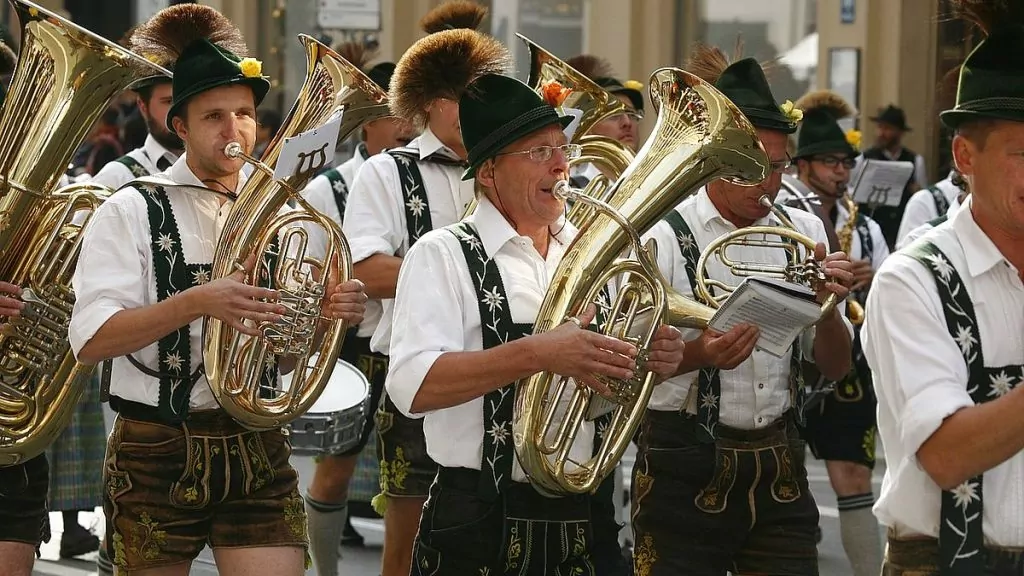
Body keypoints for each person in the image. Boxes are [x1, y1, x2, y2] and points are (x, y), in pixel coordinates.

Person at [68, 5, 367, 575]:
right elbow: (90, 340)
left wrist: (322, 316)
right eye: (214, 117)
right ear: (179, 127)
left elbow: (283, 354)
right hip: (157, 445)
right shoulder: (132, 206)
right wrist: (198, 301)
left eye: (245, 115)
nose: (235, 132)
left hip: (256, 440)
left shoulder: (281, 211)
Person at [386, 71, 682, 576]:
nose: (562, 164)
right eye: (538, 152)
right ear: (488, 171)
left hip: (586, 512)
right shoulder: (443, 253)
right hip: (480, 515)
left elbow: (609, 382)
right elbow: (411, 388)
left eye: (562, 148)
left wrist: (651, 361)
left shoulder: (591, 251)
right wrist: (540, 353)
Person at [632, 45, 855, 576]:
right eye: (753, 168)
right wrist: (699, 354)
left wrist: (828, 308)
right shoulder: (663, 233)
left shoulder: (805, 231)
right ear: (717, 158)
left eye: (777, 167)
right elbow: (625, 368)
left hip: (780, 459)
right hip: (682, 462)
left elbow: (836, 367)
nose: (769, 185)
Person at [308, 2, 510, 575]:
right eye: (459, 96)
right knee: (410, 537)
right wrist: (465, 281)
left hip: (508, 364)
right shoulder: (386, 171)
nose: (474, 106)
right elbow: (367, 270)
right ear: (426, 106)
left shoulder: (506, 163)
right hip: (414, 364)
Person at [862, 3, 1024, 574]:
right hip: (944, 561)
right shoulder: (913, 279)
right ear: (964, 157)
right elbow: (948, 455)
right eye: (1023, 154)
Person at [300, 40, 416, 561]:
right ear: (367, 123)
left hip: (404, 338)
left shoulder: (421, 173)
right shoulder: (330, 188)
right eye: (394, 114)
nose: (404, 125)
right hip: (349, 341)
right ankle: (323, 571)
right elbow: (309, 269)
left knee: (409, 473)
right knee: (336, 466)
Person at [790, 89, 888, 576]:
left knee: (853, 475)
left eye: (846, 164)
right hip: (791, 359)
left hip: (847, 358)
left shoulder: (862, 225)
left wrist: (873, 280)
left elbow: (887, 294)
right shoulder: (783, 217)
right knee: (785, 484)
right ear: (803, 166)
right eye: (830, 163)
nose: (841, 173)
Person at [564, 54, 644, 188]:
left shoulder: (654, 183)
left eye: (631, 114)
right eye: (614, 115)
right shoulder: (569, 189)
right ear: (587, 127)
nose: (627, 122)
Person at [860, 104, 925, 249]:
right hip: (873, 227)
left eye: (887, 129)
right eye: (880, 127)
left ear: (900, 133)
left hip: (900, 230)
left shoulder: (915, 160)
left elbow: (921, 192)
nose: (881, 133)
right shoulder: (865, 158)